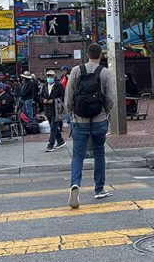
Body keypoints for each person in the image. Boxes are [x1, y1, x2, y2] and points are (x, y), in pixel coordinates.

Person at [65, 43, 116, 208]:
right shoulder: (105, 72)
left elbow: (69, 96)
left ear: (87, 55)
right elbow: (110, 98)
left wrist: (71, 113)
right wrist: (106, 112)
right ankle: (99, 189)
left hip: (79, 120)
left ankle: (75, 184)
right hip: (100, 119)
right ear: (100, 56)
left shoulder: (76, 70)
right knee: (99, 154)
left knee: (78, 155)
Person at [41, 70, 66, 152]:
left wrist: (54, 100)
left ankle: (50, 144)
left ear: (54, 77)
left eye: (51, 76)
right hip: (47, 109)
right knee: (53, 127)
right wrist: (43, 100)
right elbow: (40, 96)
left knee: (53, 127)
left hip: (56, 109)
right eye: (48, 76)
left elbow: (63, 96)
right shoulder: (44, 86)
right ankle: (60, 140)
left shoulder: (59, 85)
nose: (49, 78)